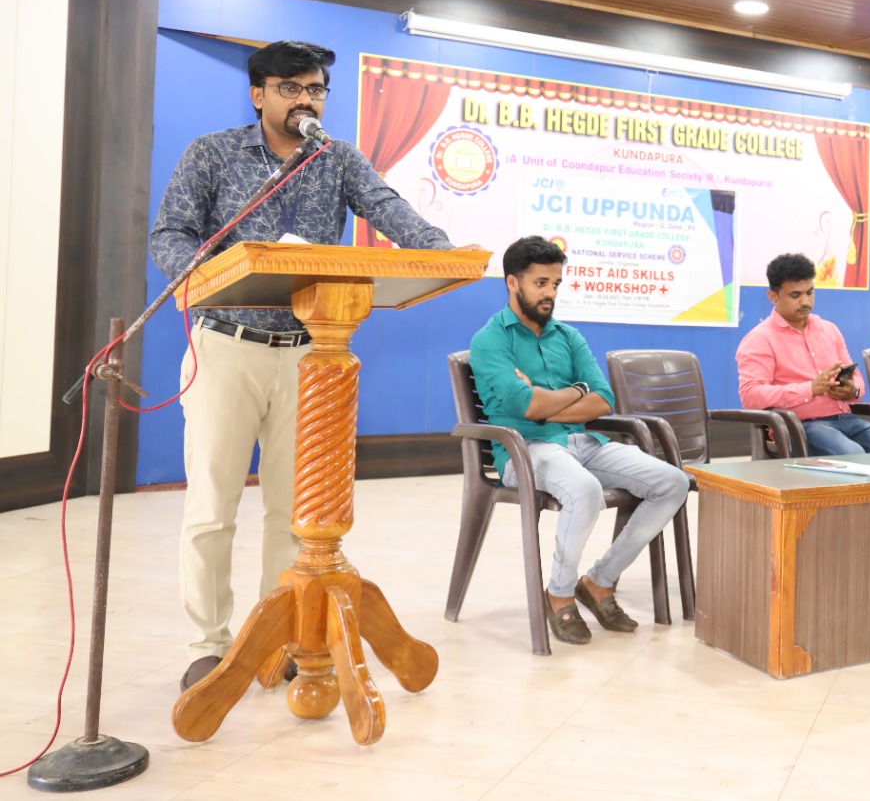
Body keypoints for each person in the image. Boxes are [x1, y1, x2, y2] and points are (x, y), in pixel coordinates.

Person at [150, 40, 471, 692]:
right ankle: (210, 645)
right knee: (211, 508)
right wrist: (211, 274)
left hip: (309, 354)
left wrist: (440, 251)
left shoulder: (336, 158)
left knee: (294, 513)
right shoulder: (213, 153)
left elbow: (390, 209)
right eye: (291, 88)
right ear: (258, 94)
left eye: (316, 89)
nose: (306, 100)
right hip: (226, 346)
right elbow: (170, 234)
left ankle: (277, 636)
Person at [470, 236, 691, 646]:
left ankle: (600, 581)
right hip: (524, 450)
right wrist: (575, 392)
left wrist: (546, 403)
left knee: (672, 483)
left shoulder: (568, 336)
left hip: (583, 443)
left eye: (555, 283)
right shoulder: (490, 340)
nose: (550, 293)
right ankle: (559, 593)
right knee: (585, 491)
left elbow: (603, 399)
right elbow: (523, 405)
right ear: (512, 283)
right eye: (540, 283)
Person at [737, 252, 870, 455]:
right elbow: (750, 395)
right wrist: (809, 389)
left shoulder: (829, 330)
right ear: (773, 297)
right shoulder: (760, 339)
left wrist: (851, 391)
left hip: (848, 421)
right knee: (854, 456)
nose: (805, 302)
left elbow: (857, 381)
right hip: (800, 426)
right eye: (795, 295)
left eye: (810, 293)